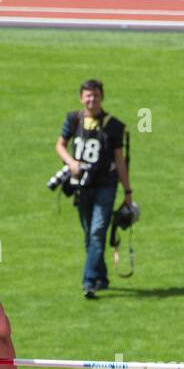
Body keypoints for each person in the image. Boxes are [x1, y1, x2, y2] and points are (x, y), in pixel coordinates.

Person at [55, 79, 132, 299]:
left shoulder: (113, 126)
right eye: (88, 95)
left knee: (98, 232)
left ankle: (88, 282)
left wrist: (127, 192)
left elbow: (120, 161)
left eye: (96, 95)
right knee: (90, 235)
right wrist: (71, 163)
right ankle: (101, 277)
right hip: (81, 186)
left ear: (102, 97)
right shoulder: (74, 119)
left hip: (106, 186)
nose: (92, 99)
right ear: (81, 98)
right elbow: (60, 144)